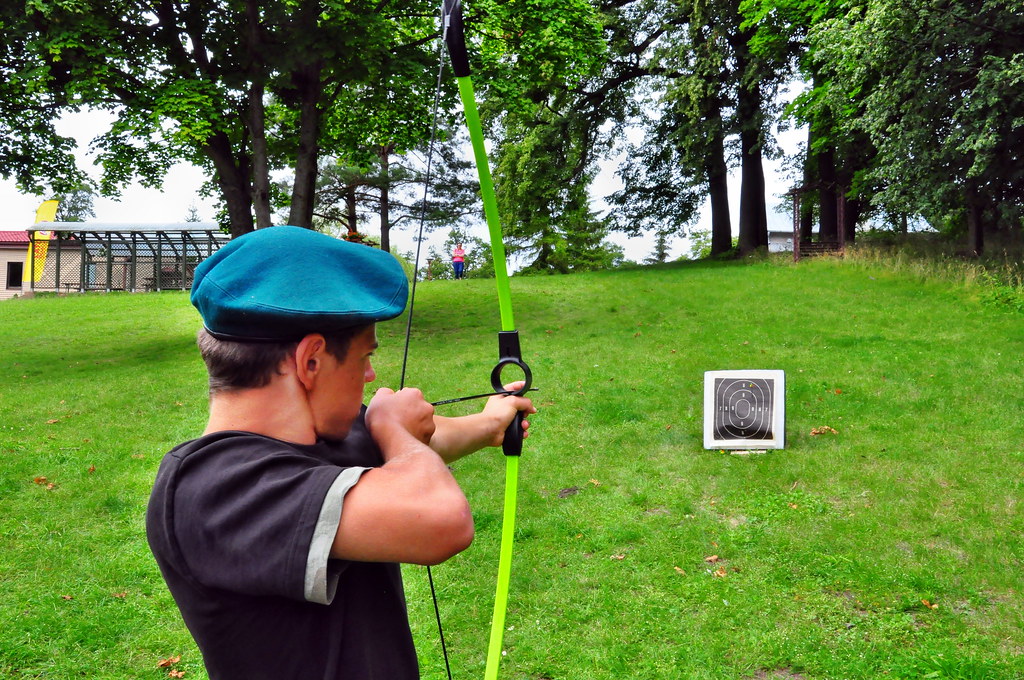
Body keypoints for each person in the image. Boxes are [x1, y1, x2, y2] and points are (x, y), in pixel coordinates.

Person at [145, 225, 535, 680]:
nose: (370, 375)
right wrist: (396, 431)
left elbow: (429, 439)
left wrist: (492, 421)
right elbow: (440, 519)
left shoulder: (328, 436)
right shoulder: (211, 490)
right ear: (311, 361)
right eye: (364, 357)